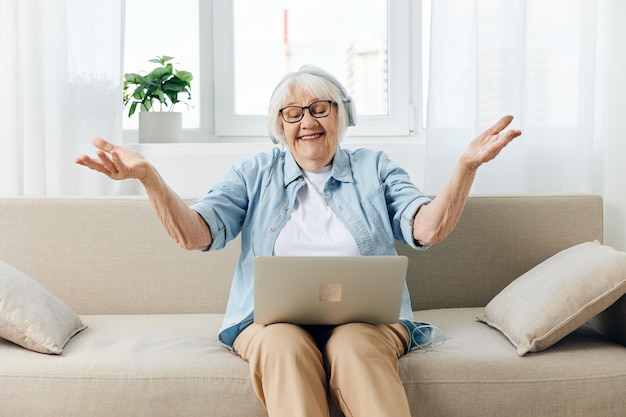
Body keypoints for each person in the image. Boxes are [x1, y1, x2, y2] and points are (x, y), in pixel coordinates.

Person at [76, 65, 521, 417]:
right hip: (271, 325)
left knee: (355, 344)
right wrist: (150, 179)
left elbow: (427, 229)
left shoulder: (375, 167)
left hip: (368, 323)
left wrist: (465, 167)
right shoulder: (254, 172)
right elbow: (197, 235)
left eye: (319, 108)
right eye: (293, 113)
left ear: (340, 114)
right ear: (279, 125)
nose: (307, 121)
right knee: (283, 345)